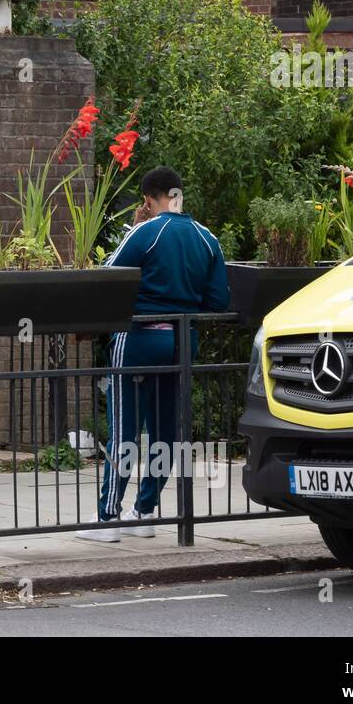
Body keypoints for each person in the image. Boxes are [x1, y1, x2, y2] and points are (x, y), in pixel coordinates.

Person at [76, 167, 230, 542]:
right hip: (182, 343)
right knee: (165, 432)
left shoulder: (145, 232)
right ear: (179, 193)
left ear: (147, 199)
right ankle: (144, 513)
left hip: (139, 339)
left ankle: (107, 519)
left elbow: (108, 276)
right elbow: (219, 301)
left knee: (124, 431)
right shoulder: (208, 239)